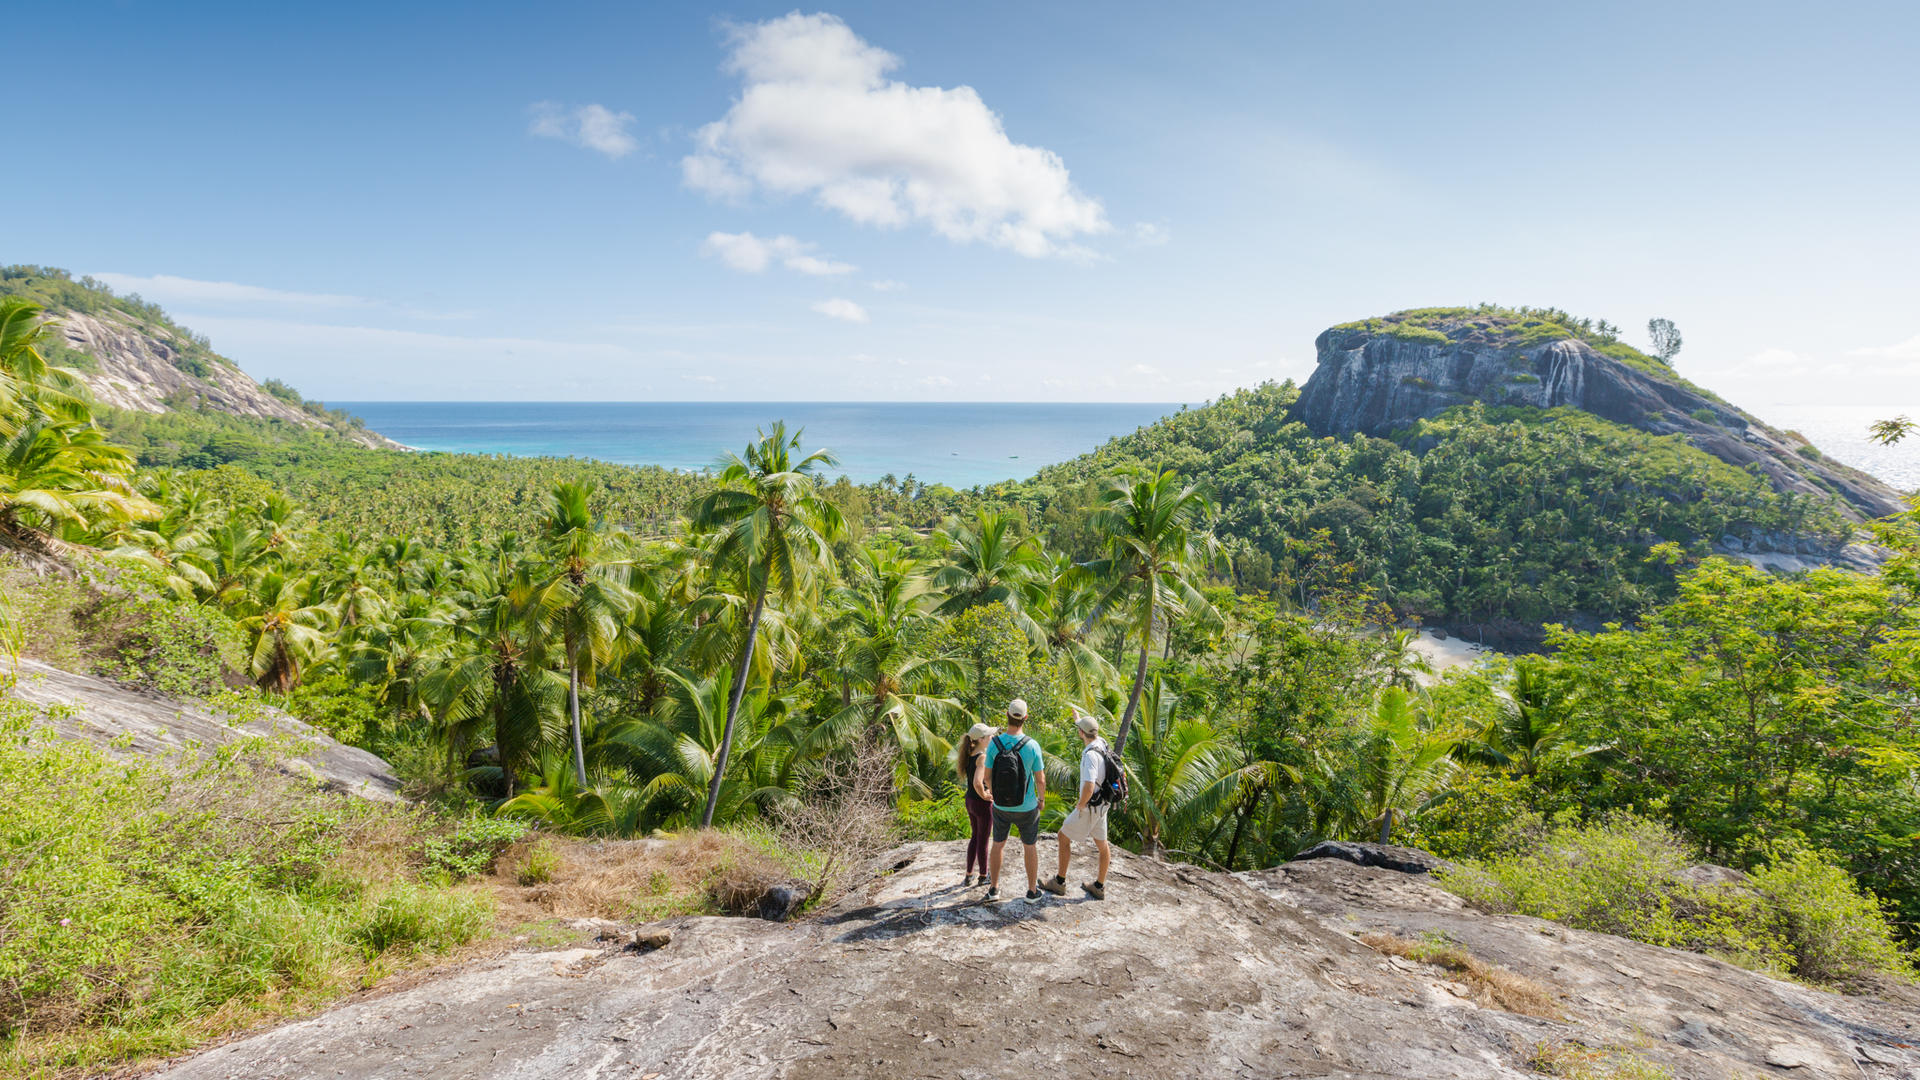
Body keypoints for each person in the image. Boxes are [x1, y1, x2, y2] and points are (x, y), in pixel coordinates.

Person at [974, 698, 1046, 902]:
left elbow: (987, 776)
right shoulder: (1032, 745)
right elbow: (1040, 779)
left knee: (998, 844)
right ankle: (1032, 891)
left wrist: (994, 794)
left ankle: (994, 889)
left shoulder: (994, 744)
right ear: (1025, 718)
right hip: (1027, 807)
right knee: (1029, 846)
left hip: (1000, 806)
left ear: (1007, 716)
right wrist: (1040, 800)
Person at [1039, 711, 1111, 900]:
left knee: (1063, 836)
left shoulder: (1090, 757)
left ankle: (1059, 882)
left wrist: (1080, 805)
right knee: (1103, 845)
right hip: (1102, 804)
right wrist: (1078, 719)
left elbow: (1088, 785)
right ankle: (1099, 886)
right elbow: (1086, 727)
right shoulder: (1101, 743)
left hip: (1089, 806)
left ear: (1081, 733)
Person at [957, 722, 995, 886]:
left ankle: (969, 874)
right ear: (981, 739)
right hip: (980, 803)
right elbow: (977, 782)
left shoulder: (970, 754)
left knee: (974, 837)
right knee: (983, 840)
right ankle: (983, 875)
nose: (991, 737)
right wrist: (985, 795)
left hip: (970, 800)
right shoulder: (982, 757)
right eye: (989, 735)